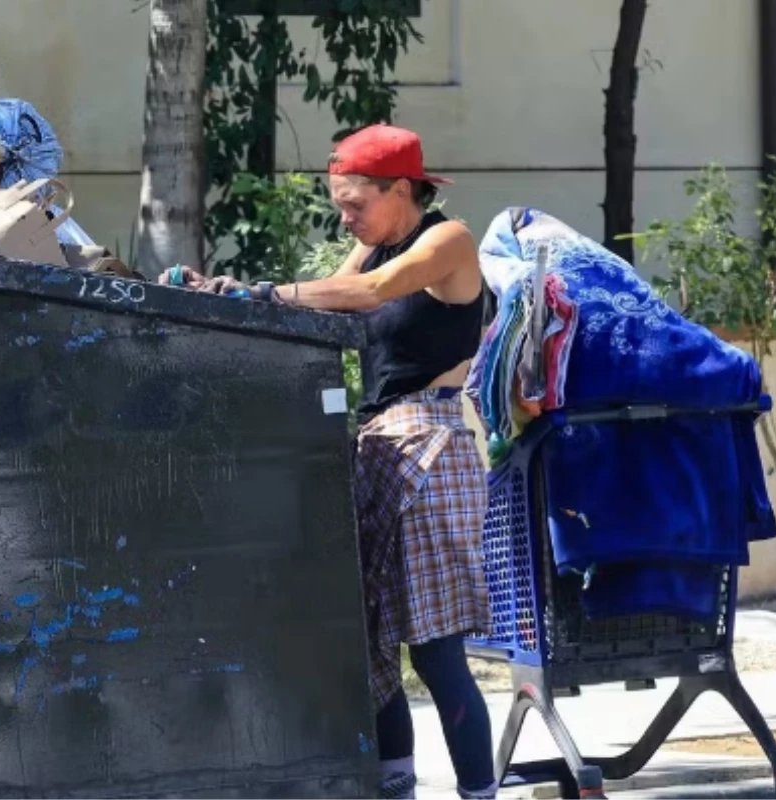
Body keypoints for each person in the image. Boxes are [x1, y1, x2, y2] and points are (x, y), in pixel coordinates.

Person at [162, 124, 495, 800]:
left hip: (430, 447)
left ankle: (479, 794)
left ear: (400, 190)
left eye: (354, 203)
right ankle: (394, 787)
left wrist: (264, 291)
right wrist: (224, 293)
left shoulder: (446, 240)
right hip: (374, 444)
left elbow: (370, 295)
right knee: (367, 650)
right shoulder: (371, 245)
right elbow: (321, 305)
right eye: (340, 204)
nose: (345, 218)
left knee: (433, 650)